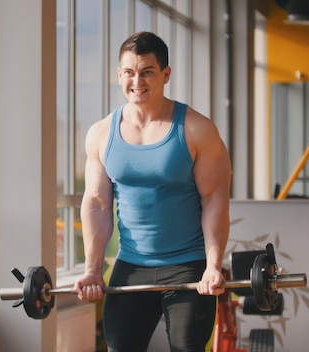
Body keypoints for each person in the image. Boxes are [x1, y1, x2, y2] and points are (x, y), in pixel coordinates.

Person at [73, 31, 231, 352]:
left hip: (188, 265)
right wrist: (92, 269)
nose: (137, 81)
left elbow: (214, 199)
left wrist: (213, 265)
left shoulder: (197, 129)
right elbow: (97, 203)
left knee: (187, 348)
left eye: (147, 71)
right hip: (131, 266)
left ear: (165, 75)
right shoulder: (101, 133)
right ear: (119, 75)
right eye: (129, 72)